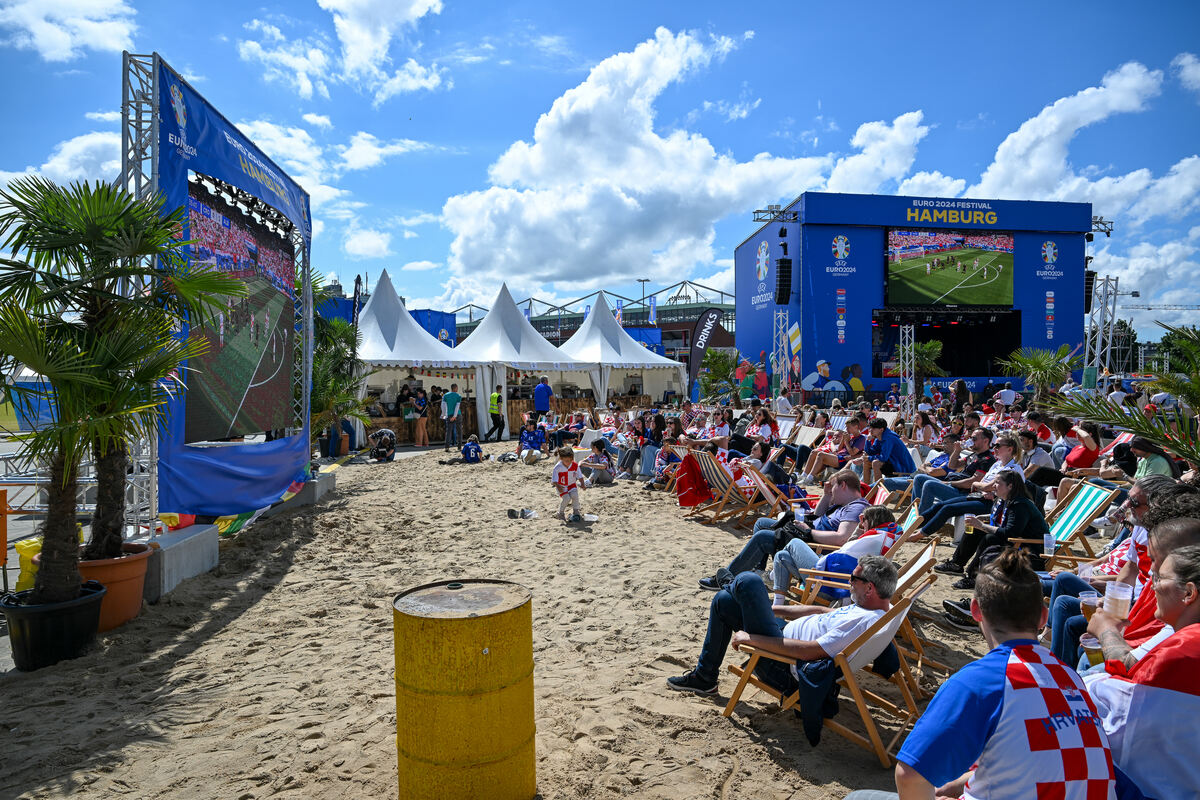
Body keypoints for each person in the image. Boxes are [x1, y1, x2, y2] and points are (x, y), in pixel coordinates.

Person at [847, 549, 1119, 800]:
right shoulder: (1071, 678)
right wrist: (958, 785)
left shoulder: (982, 681)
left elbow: (909, 775)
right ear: (1043, 617)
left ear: (975, 611)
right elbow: (1028, 758)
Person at [668, 555, 898, 696]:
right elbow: (819, 610)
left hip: (784, 666)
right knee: (725, 601)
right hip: (782, 639)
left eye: (853, 579)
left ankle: (731, 583)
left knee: (749, 581)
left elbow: (810, 651)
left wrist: (752, 640)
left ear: (869, 588)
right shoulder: (867, 609)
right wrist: (767, 610)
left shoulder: (863, 621)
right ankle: (704, 678)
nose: (849, 582)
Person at [1084, 538, 1200, 798]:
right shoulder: (1183, 637)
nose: (1151, 586)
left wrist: (1105, 632)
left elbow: (1127, 714)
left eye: (1159, 578)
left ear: (1189, 593)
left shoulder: (1186, 649)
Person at [697, 470, 870, 590]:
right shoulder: (843, 504)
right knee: (762, 523)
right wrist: (825, 495)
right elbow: (817, 517)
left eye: (833, 488)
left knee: (763, 537)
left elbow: (841, 538)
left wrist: (809, 532)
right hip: (807, 535)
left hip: (813, 547)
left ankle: (726, 578)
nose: (831, 493)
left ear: (844, 485)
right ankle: (757, 571)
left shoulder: (855, 507)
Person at [933, 470, 1049, 593]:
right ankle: (956, 564)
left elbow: (1009, 532)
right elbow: (1006, 518)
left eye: (997, 483)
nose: (993, 485)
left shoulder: (1020, 504)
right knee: (974, 530)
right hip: (1016, 540)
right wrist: (983, 519)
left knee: (989, 539)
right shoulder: (1007, 499)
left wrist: (982, 525)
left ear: (1010, 486)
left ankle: (974, 576)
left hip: (1030, 549)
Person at [861, 417, 915, 485]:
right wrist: (868, 440)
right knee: (866, 462)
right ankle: (867, 489)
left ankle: (877, 490)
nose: (870, 430)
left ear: (881, 429)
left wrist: (868, 457)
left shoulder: (889, 438)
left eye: (873, 428)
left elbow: (884, 458)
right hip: (894, 463)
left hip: (903, 469)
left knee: (876, 463)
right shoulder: (880, 437)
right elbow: (871, 452)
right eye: (870, 427)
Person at [550, 446, 584, 521]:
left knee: (575, 496)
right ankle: (560, 513)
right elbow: (554, 480)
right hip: (561, 486)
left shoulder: (575, 465)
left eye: (570, 460)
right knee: (566, 498)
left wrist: (582, 484)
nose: (568, 462)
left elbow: (580, 476)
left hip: (572, 485)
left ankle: (576, 510)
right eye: (566, 461)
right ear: (561, 459)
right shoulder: (558, 467)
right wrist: (558, 487)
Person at [441, 383, 462, 452]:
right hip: (457, 415)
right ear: (456, 388)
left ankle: (447, 447)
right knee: (459, 431)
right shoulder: (458, 396)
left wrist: (443, 414)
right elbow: (457, 406)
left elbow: (443, 406)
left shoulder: (445, 396)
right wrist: (455, 416)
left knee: (449, 431)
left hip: (449, 414)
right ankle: (459, 447)